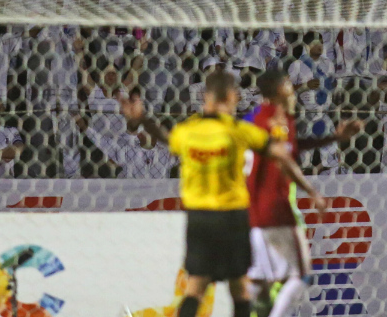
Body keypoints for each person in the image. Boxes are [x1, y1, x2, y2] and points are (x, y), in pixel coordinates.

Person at [120, 71, 326, 317]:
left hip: (200, 218)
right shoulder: (237, 130)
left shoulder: (188, 131)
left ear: (205, 98)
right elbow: (280, 154)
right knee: (240, 290)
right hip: (233, 217)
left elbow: (164, 138)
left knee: (195, 289)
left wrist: (142, 118)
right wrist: (311, 189)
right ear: (232, 97)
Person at [246, 69, 362, 317]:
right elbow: (284, 157)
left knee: (265, 280)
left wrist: (333, 137)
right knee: (300, 274)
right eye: (289, 87)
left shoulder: (275, 120)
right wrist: (312, 191)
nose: (294, 94)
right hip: (274, 209)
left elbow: (293, 146)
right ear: (279, 91)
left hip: (260, 210)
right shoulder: (267, 119)